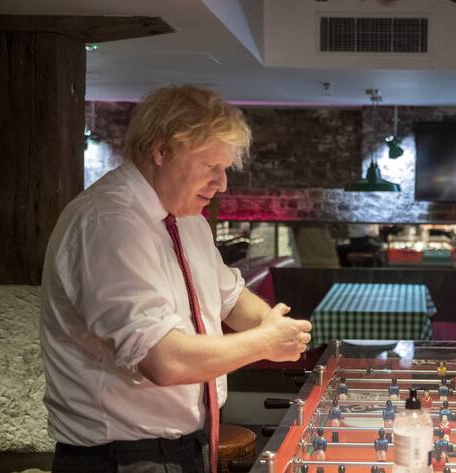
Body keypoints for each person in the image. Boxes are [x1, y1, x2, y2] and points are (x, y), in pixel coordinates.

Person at [40, 85, 313, 473]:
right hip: (123, 458)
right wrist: (265, 342)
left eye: (225, 169)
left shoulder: (187, 219)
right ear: (161, 150)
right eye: (211, 167)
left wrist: (271, 322)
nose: (222, 184)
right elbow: (163, 360)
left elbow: (231, 297)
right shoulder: (108, 223)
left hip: (184, 447)